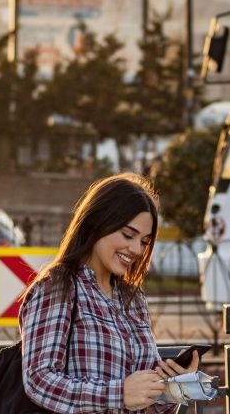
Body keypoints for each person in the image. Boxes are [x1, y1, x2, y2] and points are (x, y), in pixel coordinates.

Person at [19, 173, 199, 413]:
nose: (136, 249)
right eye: (128, 235)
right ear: (97, 223)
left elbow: (142, 402)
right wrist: (120, 393)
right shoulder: (59, 286)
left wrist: (171, 388)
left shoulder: (132, 298)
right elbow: (39, 380)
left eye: (145, 241)